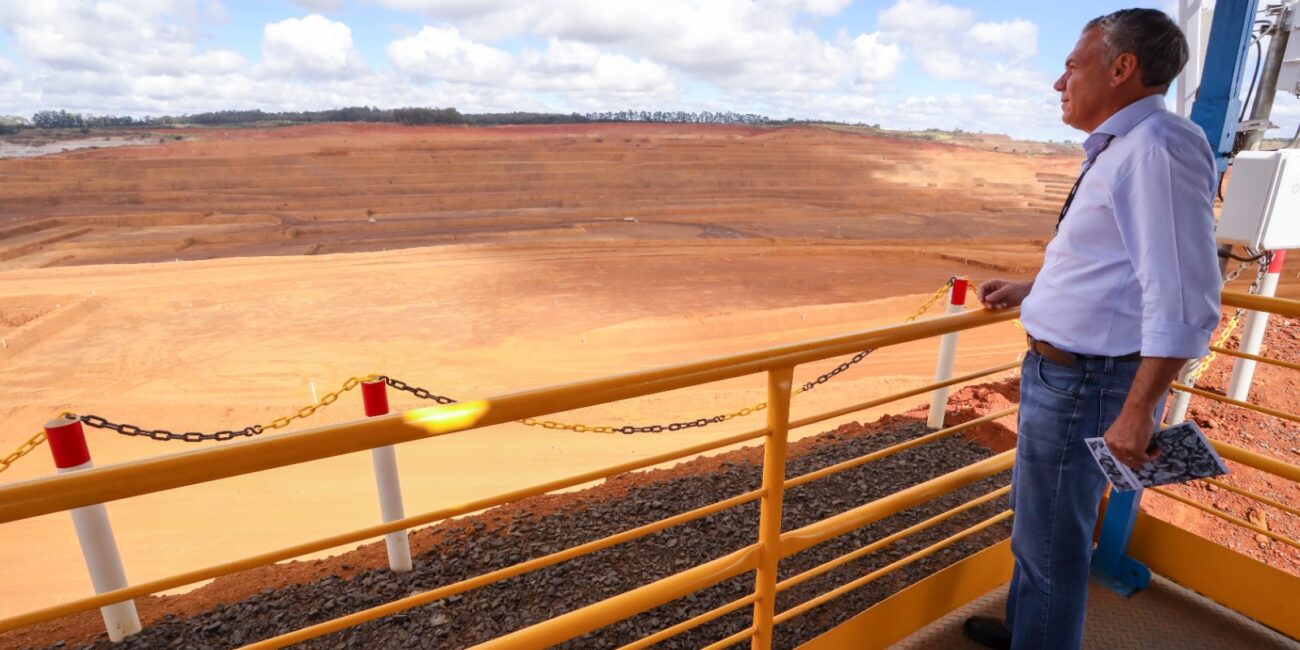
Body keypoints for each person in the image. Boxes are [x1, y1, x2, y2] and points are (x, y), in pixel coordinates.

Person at [962, 9, 1222, 650]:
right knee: (1039, 530)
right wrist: (1037, 289)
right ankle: (1029, 631)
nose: (1059, 83)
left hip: (1089, 383)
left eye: (1072, 66)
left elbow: (1183, 294)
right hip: (1067, 374)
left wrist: (1138, 410)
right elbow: (1118, 263)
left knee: (1052, 543)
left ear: (1122, 68)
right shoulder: (1131, 145)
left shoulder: (1156, 149)